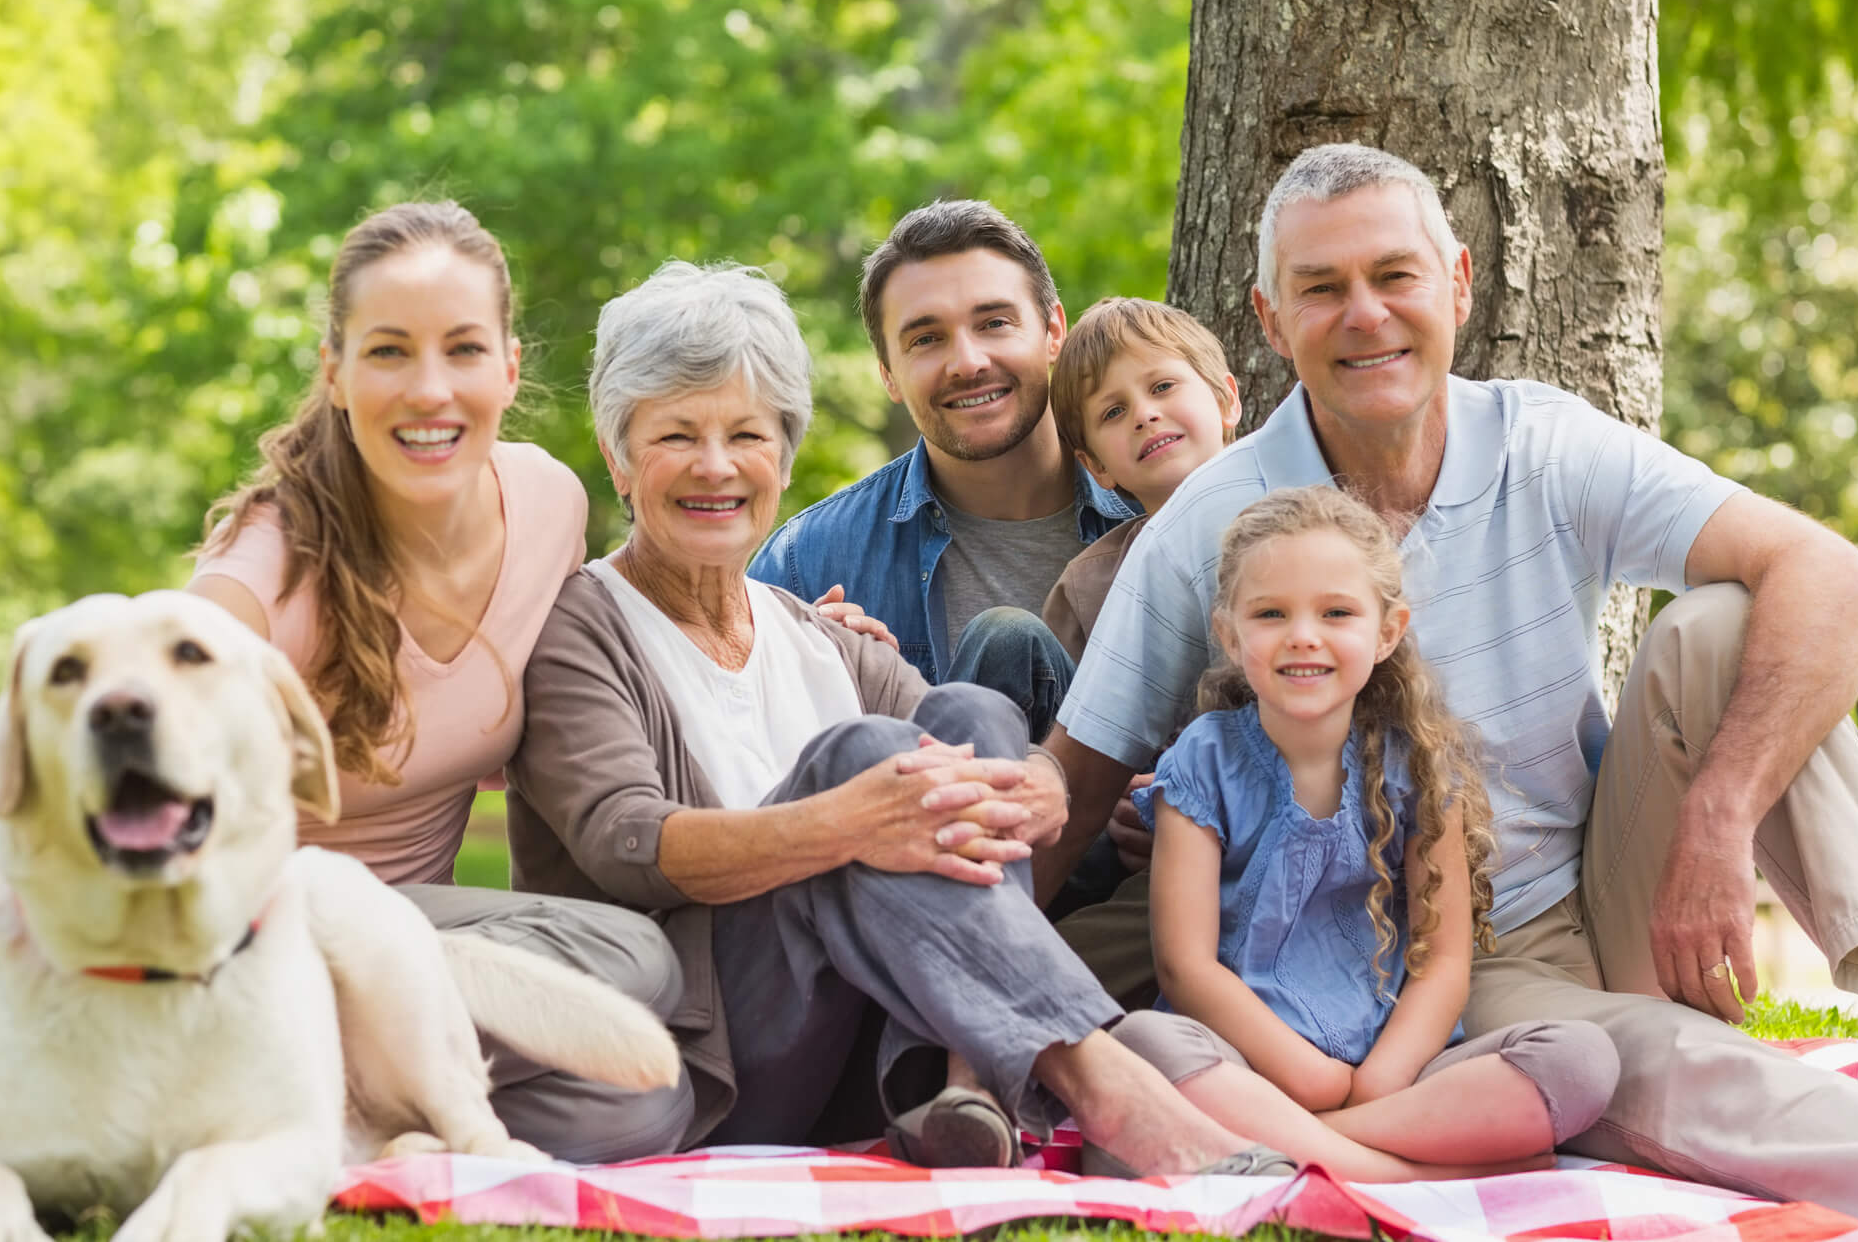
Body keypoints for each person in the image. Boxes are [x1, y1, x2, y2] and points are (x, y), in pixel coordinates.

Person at [1040, 143, 1858, 1222]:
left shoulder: (1544, 442)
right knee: (1674, 1070)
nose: (1366, 314)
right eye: (1322, 289)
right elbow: (1074, 781)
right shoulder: (1209, 522)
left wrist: (1718, 821)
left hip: (1605, 879)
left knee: (1747, 621)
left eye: (1395, 275)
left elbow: (1836, 575)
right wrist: (975, 998)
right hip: (1434, 961)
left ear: (1457, 282)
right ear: (1271, 324)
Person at [506, 259, 1463, 1181]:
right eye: (677, 435)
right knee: (865, 757)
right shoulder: (582, 625)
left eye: (748, 435)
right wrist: (843, 820)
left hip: (860, 1065)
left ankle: (971, 1078)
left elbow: (989, 760)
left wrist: (1109, 799)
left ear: (782, 454)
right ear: (618, 458)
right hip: (700, 1059)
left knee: (968, 710)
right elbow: (623, 842)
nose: (716, 466)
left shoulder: (818, 638)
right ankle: (1098, 1078)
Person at [190, 199, 693, 1163]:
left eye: (462, 350)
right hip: (262, 949)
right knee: (632, 963)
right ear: (334, 372)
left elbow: (608, 656)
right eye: (388, 352)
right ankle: (278, 1088)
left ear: (508, 365)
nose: (430, 390)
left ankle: (336, 1117)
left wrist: (798, 625)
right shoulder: (266, 570)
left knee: (638, 1112)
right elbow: (138, 718)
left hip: (413, 972)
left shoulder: (548, 502)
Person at [1122, 484, 1616, 1173]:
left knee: (1577, 1061)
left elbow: (1443, 962)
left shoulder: (1415, 763)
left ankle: (1308, 1154)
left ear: (1386, 631)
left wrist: (1376, 1080)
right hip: (1248, 1061)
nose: (1302, 635)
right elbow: (1185, 964)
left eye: (1335, 612)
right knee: (1146, 1044)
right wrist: (1308, 1078)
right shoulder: (1203, 760)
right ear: (1230, 635)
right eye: (1270, 613)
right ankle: (1399, 1174)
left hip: (1392, 1068)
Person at [747, 200, 1132, 742]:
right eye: (927, 339)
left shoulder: (1163, 510)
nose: (968, 363)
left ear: (1053, 332)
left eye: (994, 323)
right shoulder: (804, 566)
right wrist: (806, 686)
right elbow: (733, 757)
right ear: (889, 375)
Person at [1038, 296, 1241, 1001]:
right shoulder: (1089, 584)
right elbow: (1077, 752)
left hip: (1294, 838)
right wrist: (1126, 800)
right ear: (1096, 466)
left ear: (1226, 400)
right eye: (1114, 412)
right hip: (1155, 874)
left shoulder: (1306, 524)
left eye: (1161, 388)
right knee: (1056, 973)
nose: (1145, 415)